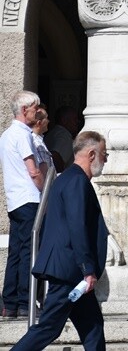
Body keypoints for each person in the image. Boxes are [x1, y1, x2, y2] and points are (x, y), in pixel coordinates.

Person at [10, 131, 109, 351]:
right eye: (104, 154)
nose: (106, 159)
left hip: (70, 270)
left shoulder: (67, 179)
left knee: (93, 326)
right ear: (92, 154)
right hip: (70, 271)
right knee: (49, 327)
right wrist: (87, 269)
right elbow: (77, 227)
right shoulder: (76, 181)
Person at [1, 90, 43, 319]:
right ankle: (26, 302)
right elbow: (33, 170)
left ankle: (10, 303)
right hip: (29, 198)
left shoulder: (7, 134)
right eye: (35, 108)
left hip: (14, 200)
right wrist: (46, 191)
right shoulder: (23, 134)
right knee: (28, 252)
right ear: (25, 110)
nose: (38, 112)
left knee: (16, 252)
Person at [44, 105, 80, 173]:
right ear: (64, 121)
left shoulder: (53, 133)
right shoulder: (64, 134)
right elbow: (55, 155)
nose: (77, 122)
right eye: (74, 119)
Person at [31, 105, 55, 176]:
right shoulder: (36, 142)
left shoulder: (39, 140)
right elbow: (43, 170)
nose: (48, 121)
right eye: (46, 118)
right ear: (39, 123)